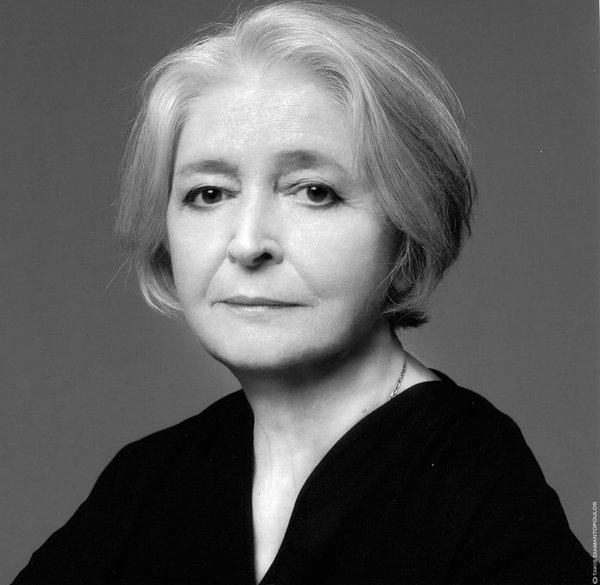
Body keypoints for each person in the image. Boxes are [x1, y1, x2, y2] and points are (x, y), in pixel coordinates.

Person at [14, 2, 590, 583]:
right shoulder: (146, 482)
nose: (247, 243)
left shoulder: (475, 482)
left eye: (314, 191)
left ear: (407, 226)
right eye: (209, 193)